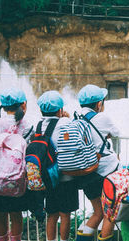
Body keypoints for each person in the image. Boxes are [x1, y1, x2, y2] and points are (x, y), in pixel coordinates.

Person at [75, 84, 120, 241]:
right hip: (106, 172)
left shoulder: (75, 119)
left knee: (98, 212)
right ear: (99, 104)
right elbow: (117, 134)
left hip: (86, 174)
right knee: (110, 212)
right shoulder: (103, 118)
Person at [36, 91, 78, 241]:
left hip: (47, 177)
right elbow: (75, 132)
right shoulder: (64, 122)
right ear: (59, 110)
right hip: (65, 176)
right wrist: (67, 117)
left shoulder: (39, 125)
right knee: (65, 214)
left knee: (52, 214)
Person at [0, 88, 33, 241]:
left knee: (0, 213)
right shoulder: (28, 125)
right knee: (16, 215)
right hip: (18, 180)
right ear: (23, 105)